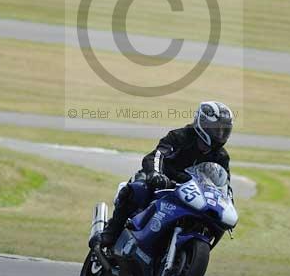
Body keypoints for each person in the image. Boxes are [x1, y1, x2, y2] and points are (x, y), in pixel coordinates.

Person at [96, 101, 233, 248]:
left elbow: (223, 185)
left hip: (192, 193)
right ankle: (111, 232)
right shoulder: (180, 137)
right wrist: (155, 174)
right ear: (202, 123)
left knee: (214, 221)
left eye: (224, 130)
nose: (220, 134)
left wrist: (227, 206)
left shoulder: (221, 156)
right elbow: (156, 156)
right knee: (137, 188)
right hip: (163, 180)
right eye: (216, 129)